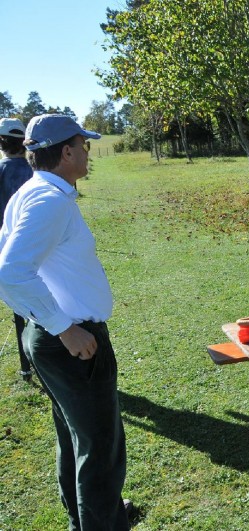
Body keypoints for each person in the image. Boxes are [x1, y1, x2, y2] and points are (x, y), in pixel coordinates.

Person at [0, 114, 131, 529]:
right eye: (83, 145)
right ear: (67, 152)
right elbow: (9, 272)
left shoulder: (34, 192)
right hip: (72, 341)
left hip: (55, 337)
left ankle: (88, 517)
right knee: (100, 444)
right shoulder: (48, 201)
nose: (88, 153)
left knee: (75, 435)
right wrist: (63, 327)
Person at [0, 118, 33, 381]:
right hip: (37, 246)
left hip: (7, 249)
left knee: (20, 307)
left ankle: (27, 365)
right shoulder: (36, 170)